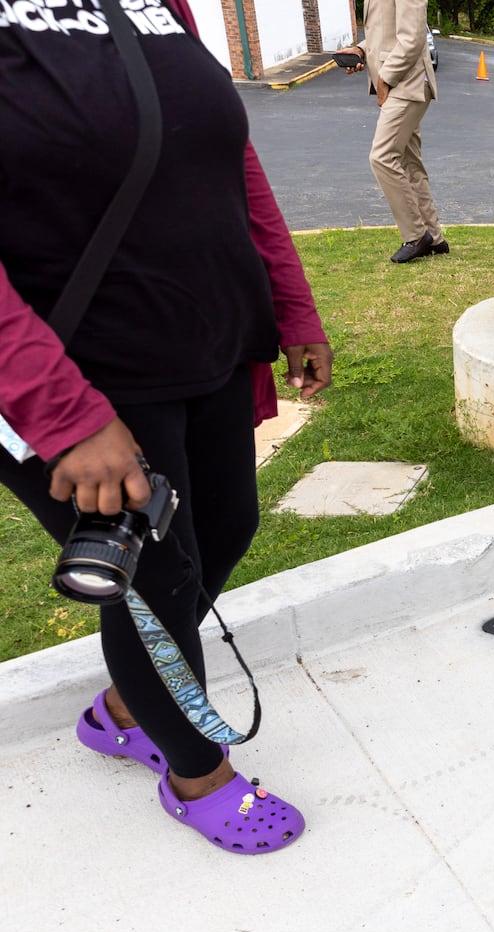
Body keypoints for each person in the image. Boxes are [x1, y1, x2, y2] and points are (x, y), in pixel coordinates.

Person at [0, 0, 332, 853]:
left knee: (228, 524)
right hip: (75, 372)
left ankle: (123, 705)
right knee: (161, 579)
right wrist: (62, 415)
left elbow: (224, 159)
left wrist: (291, 304)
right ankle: (195, 771)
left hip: (204, 334)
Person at [336, 0, 446, 264]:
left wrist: (385, 78)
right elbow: (384, 31)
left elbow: (413, 37)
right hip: (400, 84)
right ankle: (435, 237)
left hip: (407, 83)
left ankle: (417, 236)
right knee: (409, 162)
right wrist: (360, 50)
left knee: (382, 156)